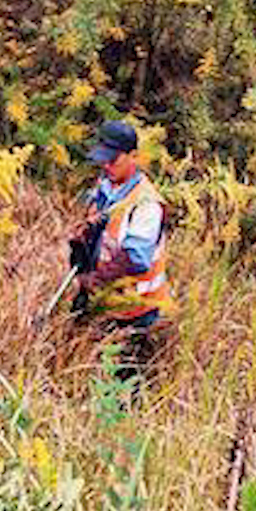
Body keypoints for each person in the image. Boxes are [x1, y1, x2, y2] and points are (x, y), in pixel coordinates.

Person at [66, 119, 170, 388]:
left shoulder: (146, 205)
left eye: (113, 160)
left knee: (122, 388)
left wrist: (95, 280)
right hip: (105, 302)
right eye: (103, 160)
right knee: (90, 374)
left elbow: (135, 259)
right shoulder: (105, 185)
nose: (106, 166)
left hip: (136, 310)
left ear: (133, 156)